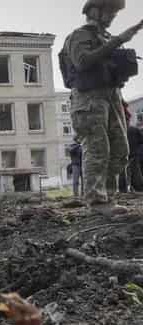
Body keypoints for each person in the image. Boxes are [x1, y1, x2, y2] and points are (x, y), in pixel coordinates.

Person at [59, 0, 143, 215]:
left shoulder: (105, 38)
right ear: (95, 11)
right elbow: (82, 62)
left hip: (111, 95)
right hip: (89, 98)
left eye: (115, 13)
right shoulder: (80, 35)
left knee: (120, 149)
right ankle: (97, 202)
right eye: (110, 11)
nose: (113, 16)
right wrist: (117, 41)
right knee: (98, 150)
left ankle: (108, 197)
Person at [119, 102, 143, 192]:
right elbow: (141, 141)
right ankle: (138, 189)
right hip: (133, 155)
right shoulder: (134, 129)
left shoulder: (120, 131)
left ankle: (124, 190)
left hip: (124, 155)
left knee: (124, 174)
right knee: (135, 173)